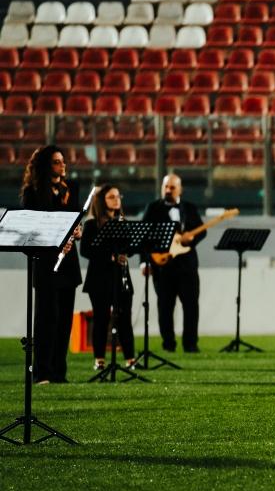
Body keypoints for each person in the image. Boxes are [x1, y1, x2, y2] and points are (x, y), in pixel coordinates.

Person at [19, 145, 82, 384]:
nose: (62, 166)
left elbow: (76, 219)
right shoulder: (32, 192)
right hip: (46, 262)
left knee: (65, 320)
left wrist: (78, 231)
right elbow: (34, 228)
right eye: (57, 162)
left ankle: (58, 372)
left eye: (63, 161)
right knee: (47, 319)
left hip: (68, 262)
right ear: (46, 166)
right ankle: (42, 372)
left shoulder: (71, 188)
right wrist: (56, 241)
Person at [140, 174, 204, 353]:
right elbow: (143, 238)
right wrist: (145, 263)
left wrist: (191, 239)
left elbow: (201, 231)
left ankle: (190, 344)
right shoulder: (152, 208)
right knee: (165, 307)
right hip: (162, 267)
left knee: (191, 306)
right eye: (165, 187)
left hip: (187, 266)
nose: (168, 190)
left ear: (180, 189)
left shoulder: (190, 208)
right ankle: (168, 343)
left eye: (172, 187)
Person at [80, 185, 136, 370]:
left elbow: (130, 248)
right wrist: (110, 257)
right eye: (111, 196)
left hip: (121, 276)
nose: (116, 199)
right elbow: (85, 250)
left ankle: (130, 359)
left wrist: (129, 250)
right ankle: (99, 360)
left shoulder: (122, 222)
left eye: (118, 196)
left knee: (124, 319)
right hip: (99, 278)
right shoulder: (91, 223)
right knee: (101, 319)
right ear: (102, 200)